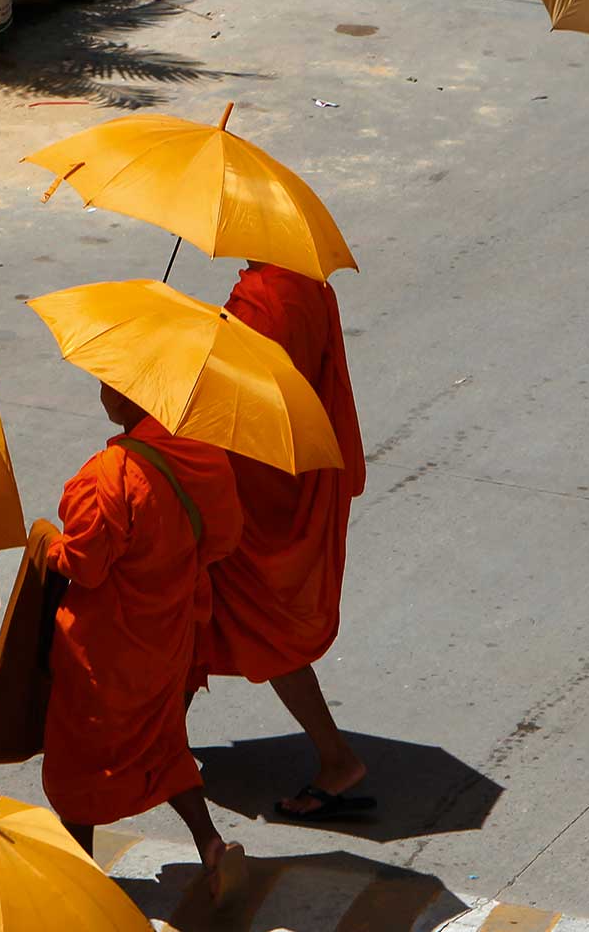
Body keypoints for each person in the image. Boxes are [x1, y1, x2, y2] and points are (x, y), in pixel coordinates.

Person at [44, 383, 248, 900]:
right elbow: (222, 538)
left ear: (129, 398)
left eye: (109, 384)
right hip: (169, 631)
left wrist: (48, 547)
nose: (100, 390)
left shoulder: (110, 474)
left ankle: (80, 887)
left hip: (104, 645)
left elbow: (86, 566)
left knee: (82, 760)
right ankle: (211, 847)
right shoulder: (200, 455)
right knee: (162, 739)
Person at [195, 261, 370, 820]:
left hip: (252, 479)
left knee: (253, 622)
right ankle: (159, 740)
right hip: (283, 464)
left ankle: (335, 756)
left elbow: (241, 388)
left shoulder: (263, 296)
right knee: (209, 610)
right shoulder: (305, 285)